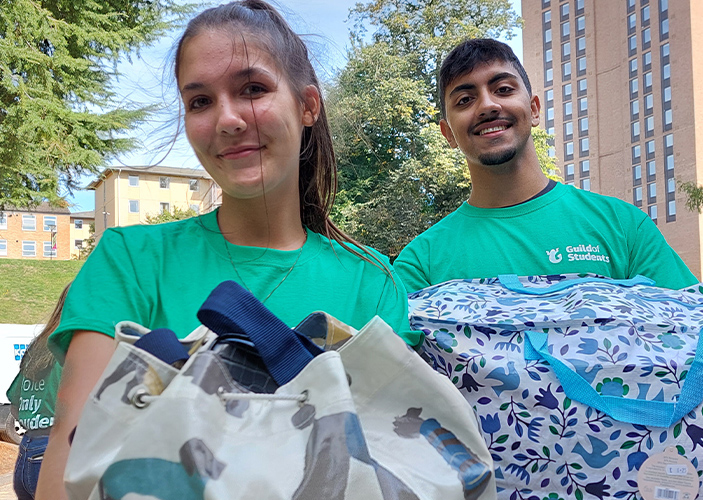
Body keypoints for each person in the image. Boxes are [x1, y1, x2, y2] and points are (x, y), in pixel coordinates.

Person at [36, 2, 410, 497]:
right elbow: (70, 462)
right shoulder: (131, 259)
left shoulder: (374, 283)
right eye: (200, 101)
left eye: (252, 89)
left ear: (307, 106)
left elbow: (395, 465)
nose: (227, 120)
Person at [394, 38, 697, 293]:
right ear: (448, 133)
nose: (487, 105)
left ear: (534, 109)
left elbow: (698, 333)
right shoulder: (422, 264)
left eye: (503, 89)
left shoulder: (624, 228)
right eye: (464, 99)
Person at [6, 283, 70, 500]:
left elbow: (14, 406)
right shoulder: (71, 347)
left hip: (27, 452)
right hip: (52, 455)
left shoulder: (39, 346)